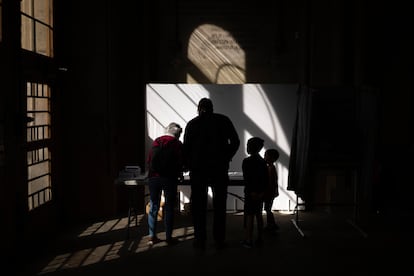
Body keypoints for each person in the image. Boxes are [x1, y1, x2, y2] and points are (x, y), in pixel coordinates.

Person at [183, 98, 240, 250]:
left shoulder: (192, 124)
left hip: (198, 170)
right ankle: (219, 240)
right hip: (219, 169)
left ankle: (200, 239)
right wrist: (226, 157)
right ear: (212, 108)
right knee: (220, 206)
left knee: (199, 206)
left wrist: (190, 164)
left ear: (199, 108)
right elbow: (235, 141)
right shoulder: (223, 120)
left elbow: (186, 148)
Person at [146, 122, 184, 246]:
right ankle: (168, 237)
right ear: (178, 134)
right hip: (169, 178)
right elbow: (181, 162)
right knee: (169, 207)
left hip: (153, 178)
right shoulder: (177, 144)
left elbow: (149, 160)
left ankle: (152, 237)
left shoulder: (157, 141)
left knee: (153, 206)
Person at [241, 137, 268, 248]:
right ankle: (260, 238)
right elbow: (265, 179)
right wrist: (261, 192)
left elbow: (247, 179)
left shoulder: (246, 162)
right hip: (260, 193)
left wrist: (251, 191)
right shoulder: (263, 162)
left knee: (250, 216)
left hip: (250, 193)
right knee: (259, 215)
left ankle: (249, 240)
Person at [263, 148, 280, 231]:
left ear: (271, 158)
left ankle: (271, 225)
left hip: (269, 192)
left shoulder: (270, 169)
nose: (264, 157)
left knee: (268, 209)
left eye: (266, 156)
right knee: (268, 209)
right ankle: (272, 224)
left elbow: (270, 182)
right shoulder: (271, 167)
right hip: (271, 192)